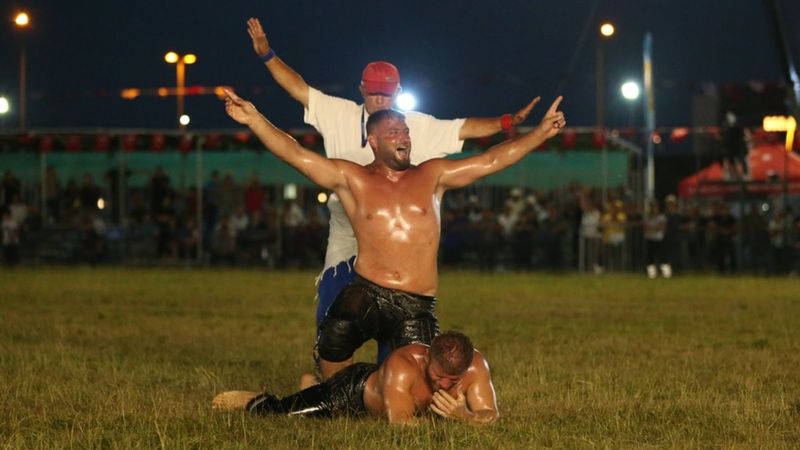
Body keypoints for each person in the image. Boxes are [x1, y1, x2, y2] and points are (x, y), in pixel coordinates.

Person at [246, 17, 540, 370]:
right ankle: (334, 380)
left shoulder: (415, 126)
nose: (380, 98)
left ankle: (391, 374)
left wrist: (507, 122)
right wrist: (267, 55)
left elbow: (466, 133)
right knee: (333, 318)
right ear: (361, 90)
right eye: (373, 92)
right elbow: (297, 91)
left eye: (387, 92)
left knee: (401, 335)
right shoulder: (337, 112)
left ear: (399, 93)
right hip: (348, 227)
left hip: (400, 241)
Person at [223, 88, 566, 381]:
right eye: (394, 133)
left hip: (416, 301)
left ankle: (367, 387)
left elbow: (492, 160)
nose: (404, 137)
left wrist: (539, 133)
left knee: (413, 385)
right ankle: (328, 388)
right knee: (333, 340)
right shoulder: (351, 179)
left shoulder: (433, 175)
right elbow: (294, 153)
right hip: (367, 290)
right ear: (372, 140)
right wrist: (255, 119)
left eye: (405, 131)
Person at [212, 330, 498, 425]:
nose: (444, 385)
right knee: (284, 414)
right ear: (427, 359)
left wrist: (467, 417)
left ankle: (311, 385)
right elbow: (400, 423)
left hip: (375, 398)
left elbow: (490, 414)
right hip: (354, 391)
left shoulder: (476, 366)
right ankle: (255, 400)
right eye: (438, 376)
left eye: (453, 380)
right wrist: (459, 419)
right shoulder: (404, 363)